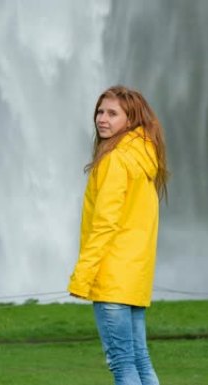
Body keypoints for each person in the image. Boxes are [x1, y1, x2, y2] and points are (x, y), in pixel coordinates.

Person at [68, 85, 169, 385]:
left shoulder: (115, 160)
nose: (102, 119)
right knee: (139, 359)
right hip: (134, 278)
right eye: (100, 111)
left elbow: (105, 224)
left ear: (131, 119)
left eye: (113, 113)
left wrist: (82, 276)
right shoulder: (144, 159)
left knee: (122, 365)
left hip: (112, 279)